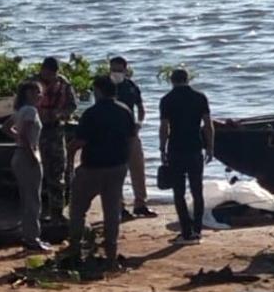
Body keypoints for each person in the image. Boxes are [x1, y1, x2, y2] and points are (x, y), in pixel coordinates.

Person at [66, 75, 136, 268]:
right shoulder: (125, 111)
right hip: (117, 166)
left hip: (92, 167)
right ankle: (111, 253)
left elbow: (80, 142)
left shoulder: (92, 113)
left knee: (78, 209)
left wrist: (69, 156)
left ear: (98, 91)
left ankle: (75, 249)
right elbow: (131, 139)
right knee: (112, 210)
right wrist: (125, 161)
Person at [159, 69, 214, 244]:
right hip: (195, 147)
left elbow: (164, 127)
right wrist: (211, 147)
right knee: (197, 190)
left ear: (172, 81)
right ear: (187, 79)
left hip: (176, 148)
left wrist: (162, 147)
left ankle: (186, 231)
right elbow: (208, 125)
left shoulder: (167, 100)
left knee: (179, 192)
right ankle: (197, 230)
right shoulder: (200, 97)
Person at [3, 81, 52, 252]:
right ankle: (32, 238)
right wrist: (32, 155)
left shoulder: (20, 110)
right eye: (37, 92)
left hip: (19, 155)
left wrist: (17, 139)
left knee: (27, 198)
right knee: (33, 199)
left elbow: (7, 127)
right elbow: (25, 135)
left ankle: (28, 235)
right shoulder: (30, 111)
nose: (40, 95)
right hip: (26, 156)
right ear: (29, 94)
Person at [110, 56, 156, 219]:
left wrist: (139, 123)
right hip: (112, 135)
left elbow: (141, 108)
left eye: (119, 69)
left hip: (131, 132)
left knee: (138, 168)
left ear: (125, 69)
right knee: (116, 171)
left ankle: (140, 204)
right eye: (113, 69)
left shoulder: (131, 86)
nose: (116, 73)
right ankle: (119, 206)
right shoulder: (106, 86)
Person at [32, 56, 77, 223]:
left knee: (57, 172)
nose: (50, 76)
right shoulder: (31, 83)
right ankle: (37, 211)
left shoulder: (63, 84)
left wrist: (58, 114)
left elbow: (72, 105)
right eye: (47, 72)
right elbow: (20, 105)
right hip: (34, 131)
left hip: (55, 131)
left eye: (53, 73)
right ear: (42, 69)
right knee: (35, 172)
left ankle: (57, 211)